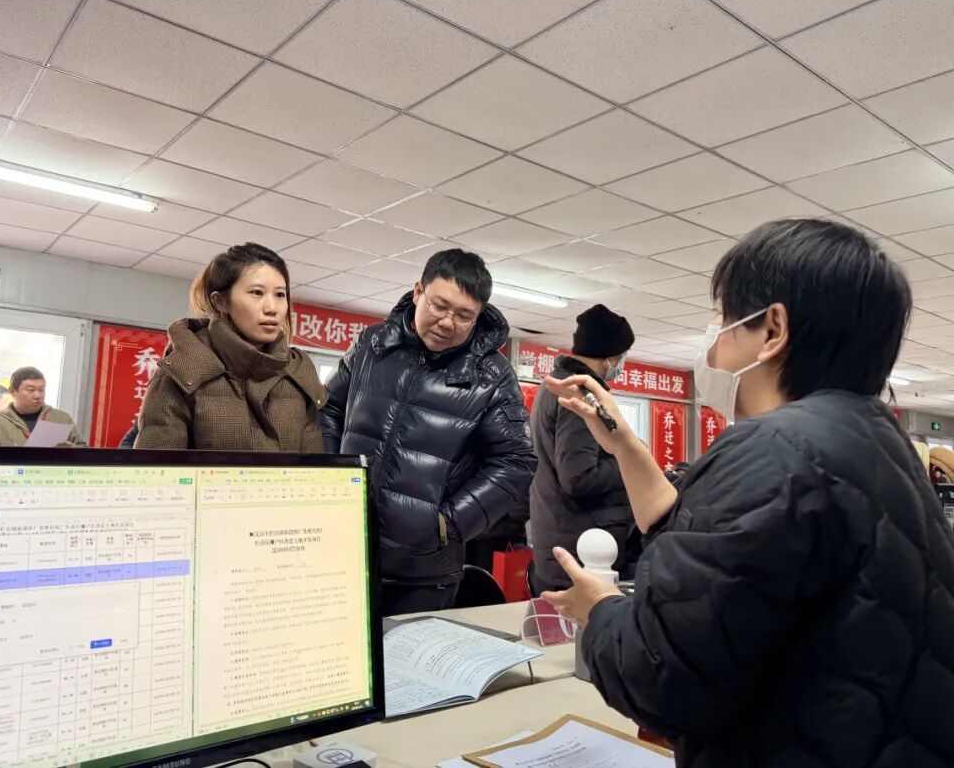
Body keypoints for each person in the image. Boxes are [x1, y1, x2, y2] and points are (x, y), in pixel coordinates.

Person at [540, 220, 954, 767]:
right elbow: (707, 549)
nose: (713, 343)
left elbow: (662, 680)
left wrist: (600, 610)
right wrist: (626, 446)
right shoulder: (873, 440)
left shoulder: (773, 449)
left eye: (722, 320)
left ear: (772, 329)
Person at [321, 249, 537, 615]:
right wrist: (332, 478)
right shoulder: (373, 344)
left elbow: (516, 461)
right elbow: (329, 410)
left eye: (464, 315)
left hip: (423, 570)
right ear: (418, 291)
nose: (447, 322)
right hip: (348, 546)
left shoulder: (491, 375)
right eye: (440, 306)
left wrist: (450, 523)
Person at [135, 243, 326, 451]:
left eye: (280, 295)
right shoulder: (183, 370)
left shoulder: (299, 372)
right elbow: (157, 466)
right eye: (257, 293)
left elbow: (312, 465)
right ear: (220, 302)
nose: (272, 308)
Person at [528, 305, 636, 593]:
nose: (622, 362)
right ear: (611, 353)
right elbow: (579, 476)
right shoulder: (578, 396)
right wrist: (630, 457)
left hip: (563, 539)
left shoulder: (556, 386)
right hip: (582, 549)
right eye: (624, 354)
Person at [0, 366, 87, 446]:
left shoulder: (61, 419)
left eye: (41, 390)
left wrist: (71, 450)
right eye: (31, 390)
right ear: (13, 391)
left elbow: (84, 451)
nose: (38, 395)